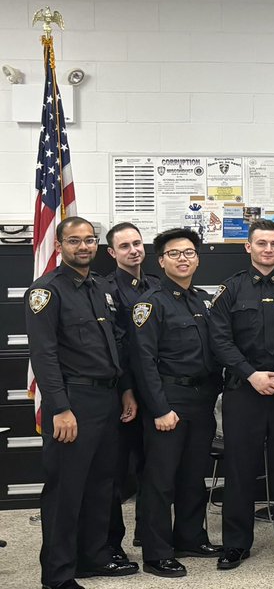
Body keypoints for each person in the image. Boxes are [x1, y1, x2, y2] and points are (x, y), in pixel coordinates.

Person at [27, 217, 140, 589]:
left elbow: (115, 346)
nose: (84, 247)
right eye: (74, 241)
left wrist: (125, 389)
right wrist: (59, 408)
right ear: (59, 246)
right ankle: (57, 574)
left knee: (101, 485)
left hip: (107, 399)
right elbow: (43, 355)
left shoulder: (99, 289)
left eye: (89, 240)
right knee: (65, 490)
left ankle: (92, 556)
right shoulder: (47, 291)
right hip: (72, 402)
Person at [208, 219, 274, 570]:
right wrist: (252, 375)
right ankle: (236, 544)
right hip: (244, 391)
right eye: (262, 243)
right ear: (248, 247)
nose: (269, 249)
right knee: (240, 469)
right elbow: (219, 340)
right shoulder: (231, 290)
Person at [128, 228, 223, 578]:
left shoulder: (201, 300)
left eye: (189, 252)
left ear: (197, 258)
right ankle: (156, 552)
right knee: (161, 480)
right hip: (169, 401)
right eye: (174, 253)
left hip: (200, 400)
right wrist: (160, 409)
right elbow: (143, 362)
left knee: (192, 476)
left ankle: (190, 537)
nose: (183, 259)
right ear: (162, 260)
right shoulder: (150, 303)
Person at [104, 222, 159, 563]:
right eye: (124, 246)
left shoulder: (155, 286)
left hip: (155, 389)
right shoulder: (105, 289)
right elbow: (116, 346)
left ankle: (146, 529)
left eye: (137, 243)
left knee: (152, 465)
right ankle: (112, 542)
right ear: (112, 253)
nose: (133, 250)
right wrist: (127, 389)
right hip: (125, 391)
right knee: (118, 470)